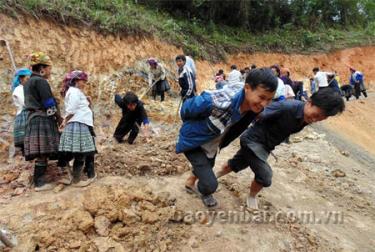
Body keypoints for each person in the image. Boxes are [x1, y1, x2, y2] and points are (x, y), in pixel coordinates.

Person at [216, 88, 345, 209]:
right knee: (265, 175)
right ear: (310, 102)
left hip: (265, 146)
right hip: (253, 141)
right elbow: (257, 113)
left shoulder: (305, 117)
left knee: (237, 163)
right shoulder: (286, 107)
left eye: (320, 119)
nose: (314, 119)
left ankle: (213, 177)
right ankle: (252, 197)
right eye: (316, 115)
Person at [177, 68, 278, 208]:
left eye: (269, 99)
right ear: (247, 88)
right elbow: (187, 108)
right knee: (210, 184)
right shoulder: (220, 102)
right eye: (261, 97)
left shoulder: (252, 107)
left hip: (212, 142)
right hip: (192, 142)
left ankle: (189, 183)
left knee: (208, 164)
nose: (264, 104)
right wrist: (190, 128)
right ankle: (206, 191)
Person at [23, 52, 62, 191]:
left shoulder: (27, 83)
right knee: (43, 152)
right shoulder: (41, 81)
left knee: (41, 152)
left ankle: (38, 181)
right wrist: (58, 118)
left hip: (33, 118)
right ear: (42, 68)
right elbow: (48, 103)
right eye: (49, 68)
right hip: (42, 118)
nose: (50, 71)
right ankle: (39, 183)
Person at [57, 70, 97, 187]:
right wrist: (65, 121)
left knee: (79, 152)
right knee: (80, 153)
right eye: (82, 81)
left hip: (79, 123)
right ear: (75, 81)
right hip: (78, 124)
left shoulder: (75, 92)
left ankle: (73, 178)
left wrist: (87, 101)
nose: (84, 83)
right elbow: (72, 110)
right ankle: (76, 180)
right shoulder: (74, 92)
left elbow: (78, 108)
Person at [12, 68, 32, 155]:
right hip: (24, 115)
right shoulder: (19, 90)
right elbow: (25, 103)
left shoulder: (25, 88)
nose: (29, 81)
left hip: (28, 113)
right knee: (27, 141)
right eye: (27, 79)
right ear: (21, 79)